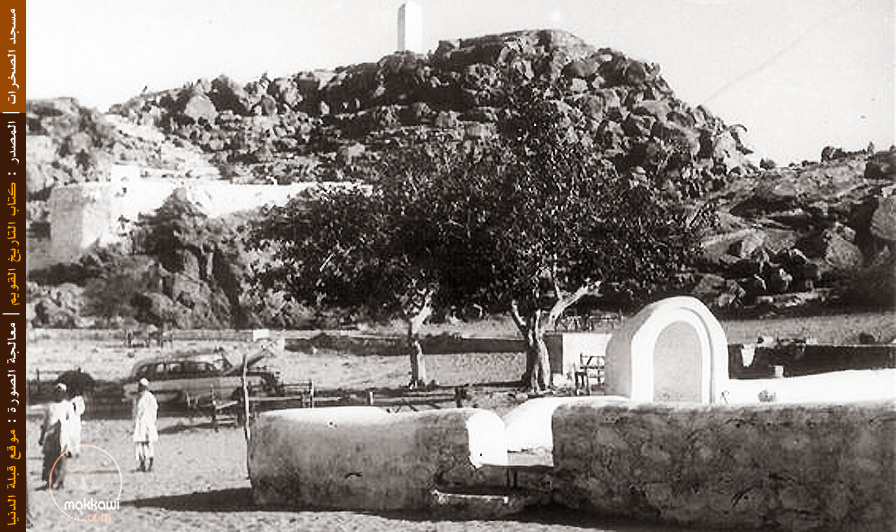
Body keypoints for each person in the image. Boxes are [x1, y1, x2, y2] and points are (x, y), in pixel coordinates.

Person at [38, 383, 74, 490]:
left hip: (63, 436)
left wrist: (71, 440)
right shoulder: (50, 407)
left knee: (61, 459)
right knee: (49, 459)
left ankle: (60, 482)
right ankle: (49, 482)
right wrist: (41, 437)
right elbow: (44, 424)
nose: (58, 394)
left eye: (61, 392)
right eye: (56, 392)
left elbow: (72, 422)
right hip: (50, 437)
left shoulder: (68, 406)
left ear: (64, 394)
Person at [132, 378, 159, 472]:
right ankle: (142, 464)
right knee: (140, 444)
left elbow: (154, 409)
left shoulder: (150, 397)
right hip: (140, 424)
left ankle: (151, 464)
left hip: (148, 423)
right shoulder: (137, 398)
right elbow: (135, 411)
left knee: (148, 443)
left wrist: (152, 422)